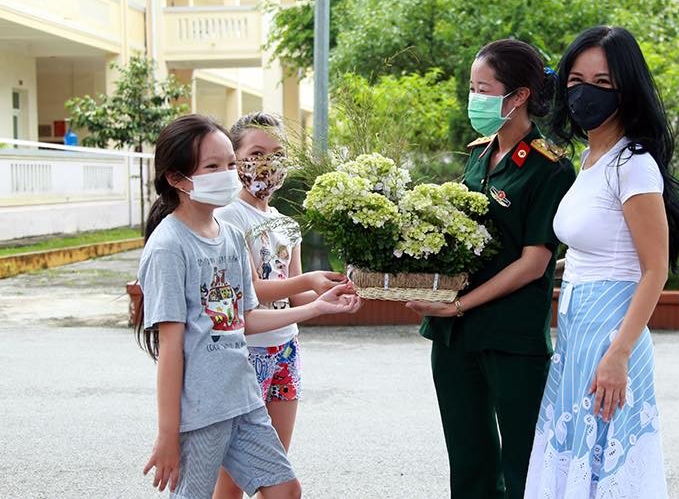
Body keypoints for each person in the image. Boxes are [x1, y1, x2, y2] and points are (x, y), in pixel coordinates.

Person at [135, 114, 360, 498]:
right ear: (176, 178)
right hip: (203, 410)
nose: (226, 174)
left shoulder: (231, 237)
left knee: (285, 490)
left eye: (228, 165)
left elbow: (244, 319)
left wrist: (319, 306)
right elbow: (170, 348)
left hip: (243, 397)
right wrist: (167, 435)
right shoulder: (168, 247)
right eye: (213, 167)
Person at [523, 26, 679, 498]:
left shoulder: (632, 162)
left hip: (611, 334)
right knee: (577, 455)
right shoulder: (591, 156)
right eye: (576, 80)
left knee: (605, 462)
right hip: (577, 331)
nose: (585, 94)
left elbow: (654, 268)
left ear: (627, 89)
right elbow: (591, 250)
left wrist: (618, 355)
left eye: (603, 83)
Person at [406, 39, 576, 499]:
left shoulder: (550, 169)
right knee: (468, 458)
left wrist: (460, 305)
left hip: (509, 335)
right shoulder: (479, 153)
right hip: (453, 335)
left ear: (518, 96)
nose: (474, 99)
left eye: (484, 88)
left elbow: (534, 263)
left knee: (523, 460)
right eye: (472, 88)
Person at [213, 112, 348, 499]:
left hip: (286, 351)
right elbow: (251, 291)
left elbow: (297, 293)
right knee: (235, 480)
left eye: (277, 153)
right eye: (256, 152)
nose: (267, 163)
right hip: (245, 354)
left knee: (274, 470)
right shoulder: (228, 218)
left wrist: (333, 297)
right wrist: (309, 285)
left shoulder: (287, 224)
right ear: (235, 159)